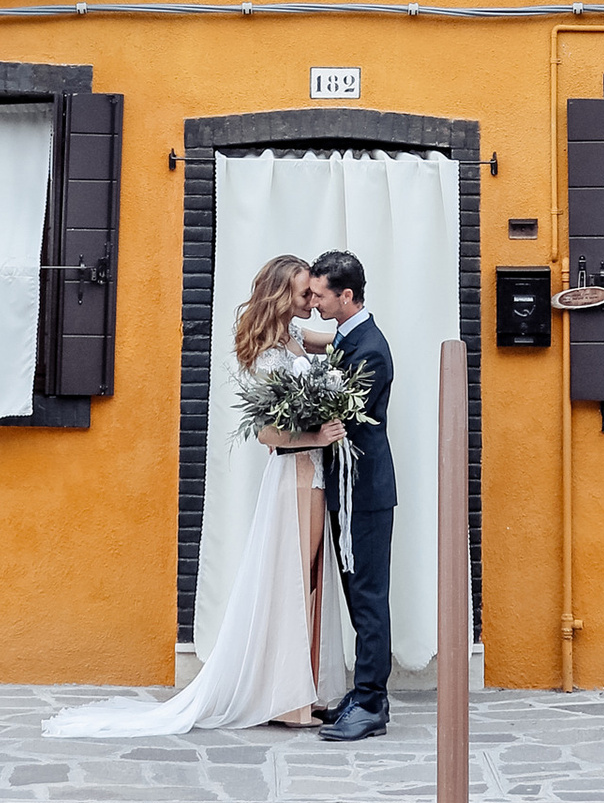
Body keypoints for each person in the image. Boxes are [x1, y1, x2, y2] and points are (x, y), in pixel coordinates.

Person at [41, 252, 347, 738]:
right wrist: (317, 436)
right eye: (304, 292)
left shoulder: (292, 337)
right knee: (296, 582)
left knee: (309, 580)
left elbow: (340, 337)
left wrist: (354, 320)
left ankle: (300, 691)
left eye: (314, 291)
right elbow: (269, 435)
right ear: (282, 294)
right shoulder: (269, 353)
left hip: (310, 475)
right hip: (294, 474)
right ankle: (288, 700)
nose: (312, 299)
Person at [304, 248, 394, 739]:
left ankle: (372, 705)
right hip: (348, 487)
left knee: (368, 596)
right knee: (357, 593)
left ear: (347, 295)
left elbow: (345, 415)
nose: (314, 302)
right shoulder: (347, 338)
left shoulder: (371, 349)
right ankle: (361, 695)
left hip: (365, 490)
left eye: (320, 295)